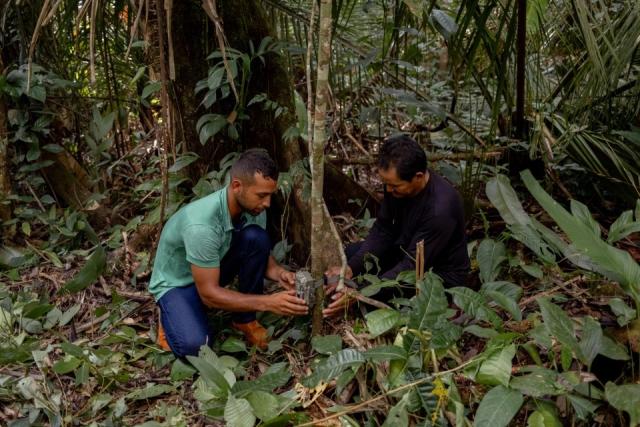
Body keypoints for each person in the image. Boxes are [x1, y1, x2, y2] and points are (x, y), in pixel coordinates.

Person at [148, 149, 308, 357]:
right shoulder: (201, 226)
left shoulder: (252, 208)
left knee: (256, 237)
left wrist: (280, 274)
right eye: (261, 195)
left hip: (208, 271)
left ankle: (245, 320)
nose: (267, 203)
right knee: (197, 347)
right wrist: (268, 302)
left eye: (270, 195)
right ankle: (170, 317)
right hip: (178, 284)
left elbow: (258, 251)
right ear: (236, 186)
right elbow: (209, 295)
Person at [324, 135, 470, 317]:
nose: (389, 191)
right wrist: (351, 268)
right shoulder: (395, 186)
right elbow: (384, 229)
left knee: (371, 301)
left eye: (395, 186)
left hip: (433, 275)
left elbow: (412, 267)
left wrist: (361, 294)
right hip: (403, 251)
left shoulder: (440, 210)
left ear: (418, 177)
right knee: (351, 255)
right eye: (386, 184)